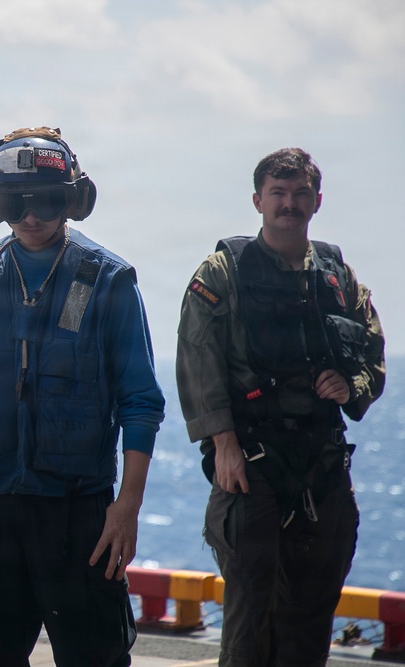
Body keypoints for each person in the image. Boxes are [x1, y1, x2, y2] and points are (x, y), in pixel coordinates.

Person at [0, 126, 166, 667]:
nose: (32, 215)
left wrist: (126, 507)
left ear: (73, 200)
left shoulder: (108, 281)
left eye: (46, 200)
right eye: (15, 203)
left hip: (77, 513)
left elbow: (140, 401)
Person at [175, 147, 386, 666]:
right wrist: (222, 443)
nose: (289, 204)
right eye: (278, 193)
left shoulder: (338, 276)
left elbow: (371, 354)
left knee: (310, 621)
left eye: (299, 194)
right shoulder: (223, 270)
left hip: (322, 463)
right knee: (250, 619)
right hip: (252, 464)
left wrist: (351, 383)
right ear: (257, 200)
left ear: (316, 200)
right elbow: (197, 358)